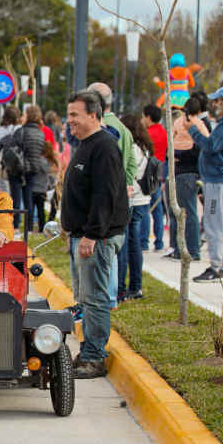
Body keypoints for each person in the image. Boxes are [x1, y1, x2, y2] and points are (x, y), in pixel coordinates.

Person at [61, 91, 128, 379]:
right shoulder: (86, 144)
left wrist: (91, 235)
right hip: (83, 235)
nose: (69, 120)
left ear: (93, 114)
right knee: (86, 299)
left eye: (74, 114)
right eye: (69, 114)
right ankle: (88, 350)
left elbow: (105, 195)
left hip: (97, 238)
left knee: (96, 298)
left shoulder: (104, 147)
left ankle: (95, 357)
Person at [186, 86, 223, 283]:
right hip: (220, 177)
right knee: (219, 222)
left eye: (217, 101)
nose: (213, 104)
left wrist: (192, 130)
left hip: (218, 178)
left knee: (213, 223)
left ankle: (217, 267)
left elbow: (211, 146)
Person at [88, 82, 136, 309]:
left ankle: (106, 298)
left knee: (103, 250)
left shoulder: (101, 129)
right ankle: (114, 294)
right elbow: (131, 163)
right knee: (115, 249)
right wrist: (127, 184)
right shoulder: (124, 129)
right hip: (121, 196)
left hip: (105, 196)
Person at [117, 114, 152, 301]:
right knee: (135, 244)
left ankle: (122, 288)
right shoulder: (145, 148)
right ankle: (136, 286)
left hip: (132, 199)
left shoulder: (131, 148)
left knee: (125, 245)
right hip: (143, 200)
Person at [165, 99, 204, 261]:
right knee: (186, 212)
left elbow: (170, 144)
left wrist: (176, 155)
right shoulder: (200, 124)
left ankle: (190, 250)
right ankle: (184, 248)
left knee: (183, 212)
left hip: (182, 172)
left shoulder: (182, 123)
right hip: (189, 172)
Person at [140, 104, 167, 251]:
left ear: (148, 117)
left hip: (147, 173)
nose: (142, 119)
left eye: (143, 116)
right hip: (159, 172)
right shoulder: (164, 132)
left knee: (145, 208)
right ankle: (159, 242)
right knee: (158, 209)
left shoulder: (146, 134)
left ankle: (144, 242)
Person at [18, 105, 49, 232]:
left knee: (23, 198)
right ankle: (30, 227)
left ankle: (22, 225)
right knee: (30, 200)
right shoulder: (40, 133)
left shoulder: (23, 131)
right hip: (34, 168)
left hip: (22, 167)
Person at [0, 106, 21, 195]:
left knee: (2, 191)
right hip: (17, 165)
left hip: (1, 164)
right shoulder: (20, 129)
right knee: (17, 193)